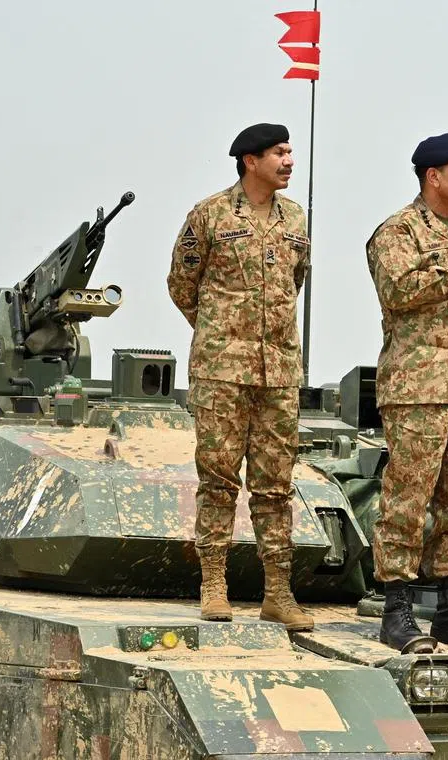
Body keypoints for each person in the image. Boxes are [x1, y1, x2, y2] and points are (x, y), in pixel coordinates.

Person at [167, 122, 313, 631]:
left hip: (279, 373)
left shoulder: (296, 217)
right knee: (219, 480)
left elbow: (295, 280)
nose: (290, 160)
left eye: (291, 151)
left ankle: (278, 592)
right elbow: (182, 282)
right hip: (221, 371)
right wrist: (218, 331)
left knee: (276, 485)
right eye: (279, 152)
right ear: (251, 161)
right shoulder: (209, 214)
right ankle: (213, 582)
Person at [366, 132, 448, 653]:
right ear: (433, 177)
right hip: (419, 387)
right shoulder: (397, 231)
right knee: (408, 496)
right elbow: (397, 293)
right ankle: (396, 607)